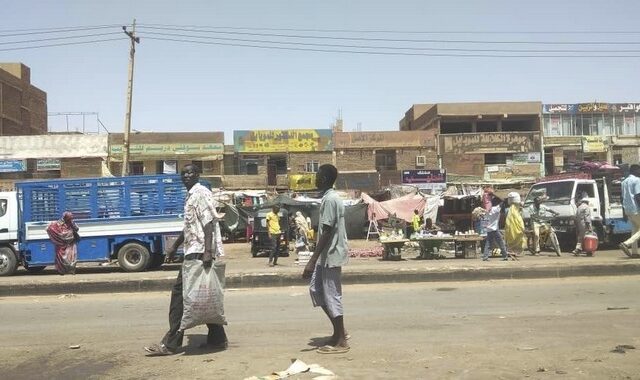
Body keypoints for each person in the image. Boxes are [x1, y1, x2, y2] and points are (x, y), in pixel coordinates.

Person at [145, 163, 227, 356]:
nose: (187, 176)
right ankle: (218, 339)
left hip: (199, 251)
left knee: (180, 296)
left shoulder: (200, 193)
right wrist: (175, 246)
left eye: (190, 172)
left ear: (198, 174)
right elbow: (191, 225)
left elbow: (208, 223)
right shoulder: (191, 195)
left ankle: (171, 343)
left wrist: (208, 251)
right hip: (194, 249)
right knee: (202, 294)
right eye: (184, 173)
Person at [302, 164, 350, 354]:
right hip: (325, 256)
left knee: (332, 295)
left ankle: (341, 340)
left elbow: (328, 230)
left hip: (331, 254)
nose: (315, 178)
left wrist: (312, 260)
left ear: (323, 178)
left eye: (317, 175)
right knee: (316, 289)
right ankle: (339, 331)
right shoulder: (327, 198)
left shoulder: (331, 199)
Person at [620, 164, 640, 257]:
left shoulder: (624, 182)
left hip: (628, 209)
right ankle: (626, 243)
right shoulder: (637, 180)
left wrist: (623, 212)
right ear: (636, 171)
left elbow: (622, 197)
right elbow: (638, 196)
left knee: (635, 230)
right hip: (636, 209)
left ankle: (635, 252)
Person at [481, 196, 508, 261]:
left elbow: (484, 220)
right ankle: (505, 256)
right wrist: (504, 199)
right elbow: (501, 204)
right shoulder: (495, 209)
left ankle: (485, 257)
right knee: (501, 242)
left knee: (488, 243)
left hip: (489, 229)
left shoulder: (487, 211)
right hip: (495, 229)